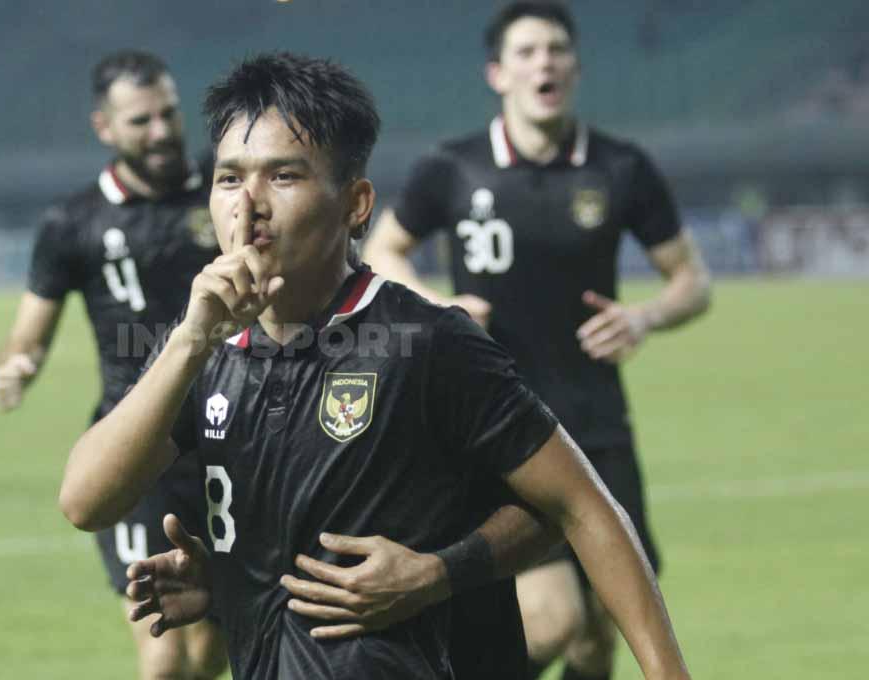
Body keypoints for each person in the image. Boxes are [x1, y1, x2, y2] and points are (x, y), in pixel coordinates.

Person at [59, 52, 691, 680]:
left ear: (356, 204)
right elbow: (86, 499)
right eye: (229, 179)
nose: (247, 204)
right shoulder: (206, 347)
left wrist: (438, 574)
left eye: (283, 176)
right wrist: (227, 577)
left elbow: (582, 508)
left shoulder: (427, 342)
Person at [361, 3, 713, 679]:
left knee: (598, 638)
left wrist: (645, 318)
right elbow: (384, 251)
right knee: (554, 619)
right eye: (526, 52)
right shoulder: (453, 168)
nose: (543, 62)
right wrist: (444, 307)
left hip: (597, 423)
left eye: (556, 49)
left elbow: (692, 281)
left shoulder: (620, 169)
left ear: (576, 66)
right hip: (496, 427)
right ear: (497, 73)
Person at [0, 50, 226, 680]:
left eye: (169, 114)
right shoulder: (73, 223)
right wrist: (18, 365)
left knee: (209, 651)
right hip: (138, 450)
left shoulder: (226, 191)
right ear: (106, 128)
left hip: (233, 438)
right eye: (141, 120)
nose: (160, 131)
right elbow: (29, 332)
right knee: (164, 653)